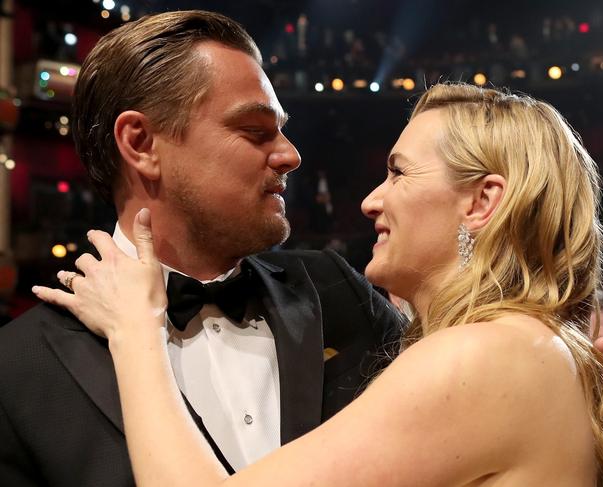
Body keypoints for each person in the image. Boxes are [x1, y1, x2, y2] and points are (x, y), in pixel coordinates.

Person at [33, 82, 603, 486]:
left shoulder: (484, 354)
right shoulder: (533, 349)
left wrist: (137, 329)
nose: (370, 200)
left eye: (399, 173)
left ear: (483, 200)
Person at [0, 11, 402, 486]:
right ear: (141, 143)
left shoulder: (336, 289)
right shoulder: (17, 368)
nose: (290, 155)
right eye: (255, 131)